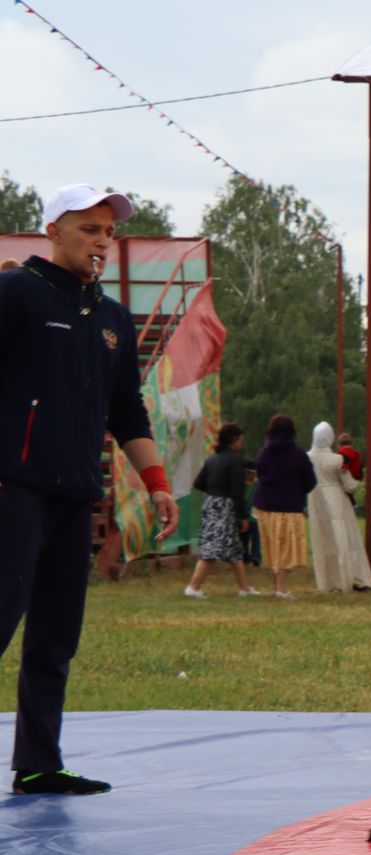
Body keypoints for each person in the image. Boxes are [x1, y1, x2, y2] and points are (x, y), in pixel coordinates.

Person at [1, 184, 178, 795]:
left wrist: (156, 482)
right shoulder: (16, 292)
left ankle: (39, 763)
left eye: (109, 232)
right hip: (12, 486)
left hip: (75, 492)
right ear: (52, 229)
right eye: (89, 229)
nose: (102, 241)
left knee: (55, 633)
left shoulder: (111, 319)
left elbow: (127, 409)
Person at [185, 423, 258, 600]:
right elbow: (237, 493)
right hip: (225, 506)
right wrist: (243, 517)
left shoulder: (212, 459)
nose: (242, 442)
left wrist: (214, 487)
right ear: (234, 440)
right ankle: (193, 587)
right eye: (241, 439)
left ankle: (244, 589)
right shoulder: (235, 461)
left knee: (234, 551)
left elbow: (198, 483)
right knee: (212, 550)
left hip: (210, 503)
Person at [254, 415, 318, 600]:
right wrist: (297, 492)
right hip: (289, 506)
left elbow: (259, 473)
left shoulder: (265, 452)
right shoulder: (298, 454)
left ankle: (277, 588)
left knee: (273, 547)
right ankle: (282, 590)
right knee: (286, 549)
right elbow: (310, 481)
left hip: (265, 506)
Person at [307, 422, 371, 592]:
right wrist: (358, 480)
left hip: (316, 501)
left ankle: (328, 582)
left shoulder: (307, 457)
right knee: (345, 540)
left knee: (323, 541)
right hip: (337, 502)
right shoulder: (337, 459)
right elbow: (350, 486)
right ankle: (353, 578)